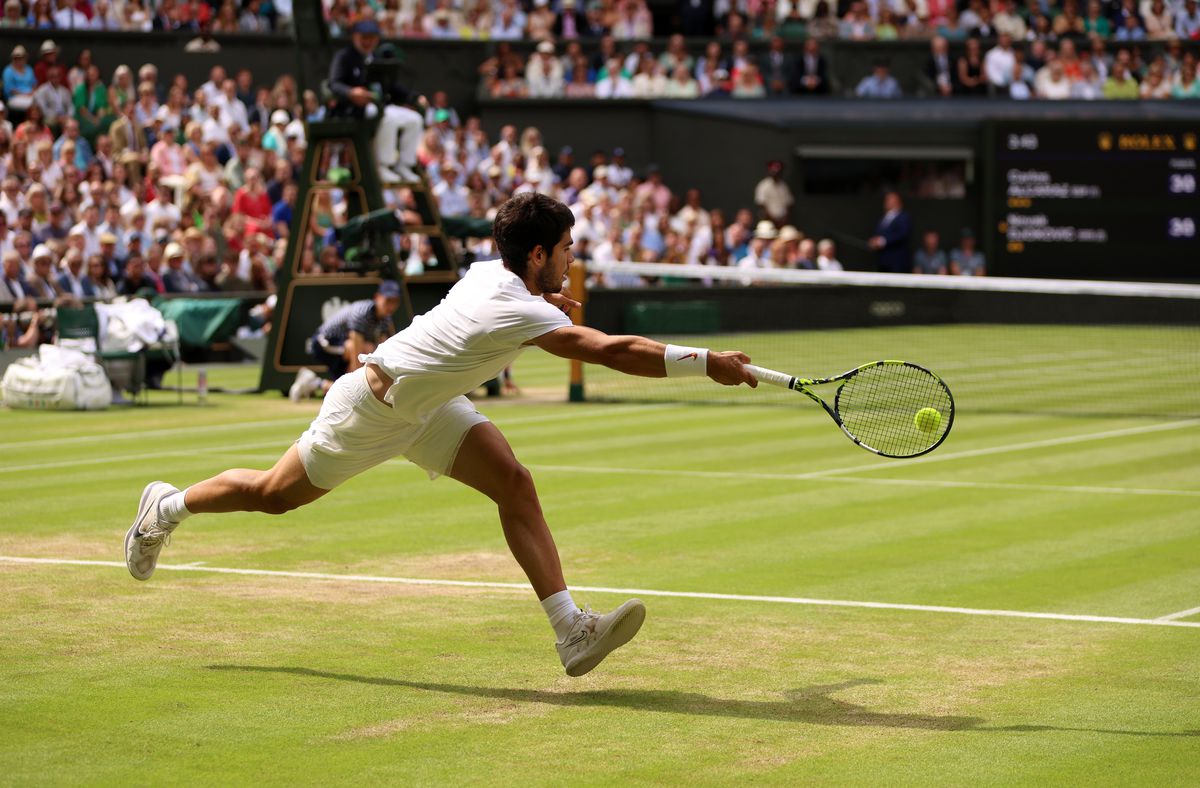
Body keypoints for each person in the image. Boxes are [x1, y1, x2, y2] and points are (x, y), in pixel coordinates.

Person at [125, 193, 757, 677]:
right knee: (272, 494)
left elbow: (494, 318)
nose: (571, 257)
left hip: (427, 408)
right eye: (564, 247)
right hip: (370, 408)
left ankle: (571, 629)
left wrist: (547, 306)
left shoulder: (496, 275)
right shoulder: (512, 301)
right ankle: (166, 507)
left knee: (514, 482)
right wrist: (707, 362)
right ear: (536, 255)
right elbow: (613, 350)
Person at [328, 19, 427, 184]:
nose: (367, 42)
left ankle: (404, 165)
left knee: (414, 120)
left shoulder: (377, 57)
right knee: (385, 116)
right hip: (352, 110)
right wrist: (351, 92)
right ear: (355, 37)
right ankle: (383, 165)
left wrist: (415, 97)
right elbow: (334, 83)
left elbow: (392, 87)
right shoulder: (344, 57)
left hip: (380, 105)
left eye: (371, 38)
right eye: (363, 37)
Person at [288, 280, 403, 402]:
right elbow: (355, 349)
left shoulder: (386, 319)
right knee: (363, 354)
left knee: (347, 387)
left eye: (395, 301)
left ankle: (314, 383)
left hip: (344, 347)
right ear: (377, 297)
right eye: (388, 300)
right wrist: (361, 383)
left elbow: (382, 349)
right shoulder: (362, 312)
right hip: (323, 342)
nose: (391, 306)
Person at [868, 190, 912, 273]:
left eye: (889, 199)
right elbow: (879, 234)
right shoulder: (884, 218)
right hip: (882, 262)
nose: (886, 201)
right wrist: (875, 241)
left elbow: (902, 234)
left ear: (897, 201)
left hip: (897, 263)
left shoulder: (904, 217)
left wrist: (882, 241)